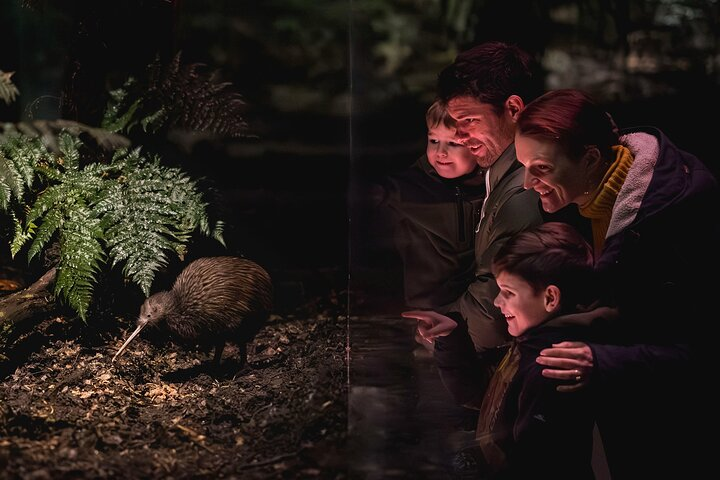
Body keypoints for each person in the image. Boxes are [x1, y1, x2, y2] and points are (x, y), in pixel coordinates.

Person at [514, 88, 719, 478]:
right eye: (524, 166)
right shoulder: (579, 204)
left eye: (540, 168)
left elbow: (703, 351)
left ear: (590, 158)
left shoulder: (676, 219)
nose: (526, 183)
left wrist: (600, 361)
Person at [407, 222, 599, 479]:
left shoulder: (553, 366)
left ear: (550, 298)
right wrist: (452, 337)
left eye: (508, 292)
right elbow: (484, 395)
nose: (497, 302)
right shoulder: (528, 346)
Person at [373, 99, 486, 331]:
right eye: (433, 140)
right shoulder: (411, 186)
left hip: (473, 301)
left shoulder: (492, 185)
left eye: (453, 143)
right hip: (424, 306)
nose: (440, 152)